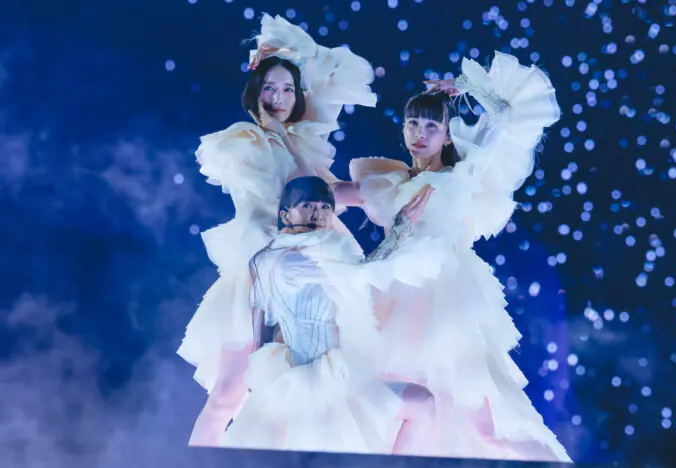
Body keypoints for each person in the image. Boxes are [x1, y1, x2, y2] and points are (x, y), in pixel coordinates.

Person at [335, 52, 572, 462]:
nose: (420, 133)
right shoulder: (390, 182)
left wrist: (463, 87)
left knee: (482, 424)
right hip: (395, 296)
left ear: (447, 135)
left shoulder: (461, 174)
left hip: (446, 303)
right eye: (413, 123)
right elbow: (328, 197)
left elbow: (502, 114)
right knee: (383, 402)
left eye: (432, 125)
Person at [178, 14, 379, 396]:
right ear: (256, 93)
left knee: (313, 381)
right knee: (230, 393)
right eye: (270, 88)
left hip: (311, 261)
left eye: (288, 89)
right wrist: (276, 134)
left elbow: (326, 191)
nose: (279, 98)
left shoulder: (299, 140)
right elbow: (304, 190)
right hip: (263, 261)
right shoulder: (245, 142)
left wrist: (393, 192)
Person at [190, 177, 442, 455]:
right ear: (285, 215)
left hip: (334, 375)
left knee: (422, 404)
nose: (318, 214)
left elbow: (261, 318)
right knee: (417, 406)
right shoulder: (286, 260)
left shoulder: (311, 251)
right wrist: (400, 229)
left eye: (325, 207)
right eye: (307, 205)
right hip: (310, 385)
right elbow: (361, 274)